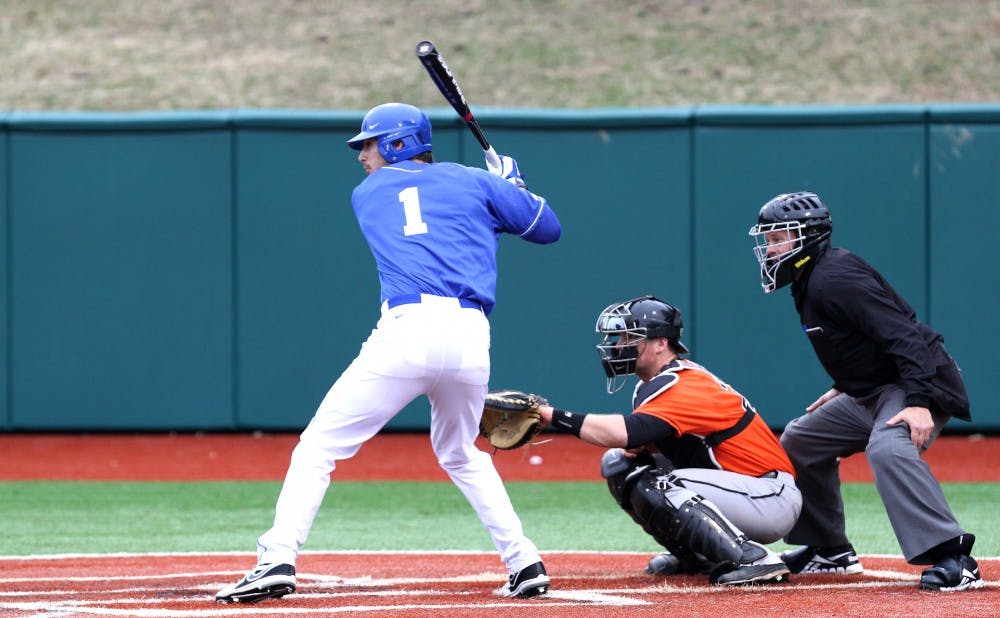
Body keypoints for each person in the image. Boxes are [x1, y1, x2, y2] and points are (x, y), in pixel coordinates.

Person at [216, 102, 561, 603]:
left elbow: (436, 202)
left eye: (369, 144)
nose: (361, 156)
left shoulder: (369, 193)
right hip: (470, 336)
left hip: (409, 331)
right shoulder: (473, 182)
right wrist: (515, 188)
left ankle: (276, 560)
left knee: (318, 448)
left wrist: (501, 192)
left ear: (399, 143)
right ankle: (524, 560)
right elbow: (547, 228)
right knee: (461, 453)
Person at [748, 191, 982, 592]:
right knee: (800, 440)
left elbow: (906, 336)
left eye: (777, 238)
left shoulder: (834, 278)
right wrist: (844, 387)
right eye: (767, 240)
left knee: (887, 448)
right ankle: (828, 549)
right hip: (871, 391)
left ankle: (954, 558)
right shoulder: (810, 281)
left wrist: (919, 403)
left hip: (915, 383)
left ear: (807, 237)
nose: (769, 249)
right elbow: (862, 342)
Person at [537, 295, 802, 586]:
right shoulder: (649, 387)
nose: (617, 345)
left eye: (629, 337)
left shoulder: (683, 383)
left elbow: (627, 431)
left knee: (663, 485)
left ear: (661, 343)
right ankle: (700, 557)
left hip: (769, 496)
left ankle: (755, 558)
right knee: (621, 465)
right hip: (737, 489)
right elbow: (645, 441)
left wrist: (551, 416)